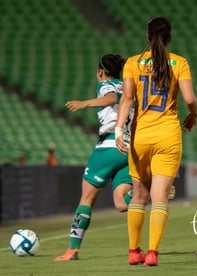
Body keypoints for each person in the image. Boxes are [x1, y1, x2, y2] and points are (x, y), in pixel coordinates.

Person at [115, 17, 197, 267]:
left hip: (140, 135)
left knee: (138, 196)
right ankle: (152, 253)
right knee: (159, 197)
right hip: (168, 135)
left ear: (147, 36)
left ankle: (133, 251)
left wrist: (119, 130)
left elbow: (127, 99)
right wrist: (194, 114)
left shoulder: (132, 63)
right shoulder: (179, 62)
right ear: (169, 38)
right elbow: (189, 98)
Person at [55, 54, 134, 261]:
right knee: (121, 202)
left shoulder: (106, 85)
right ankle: (149, 193)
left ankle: (72, 250)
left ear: (100, 71)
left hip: (110, 145)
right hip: (130, 147)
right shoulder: (129, 86)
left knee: (87, 199)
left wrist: (84, 103)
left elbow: (111, 99)